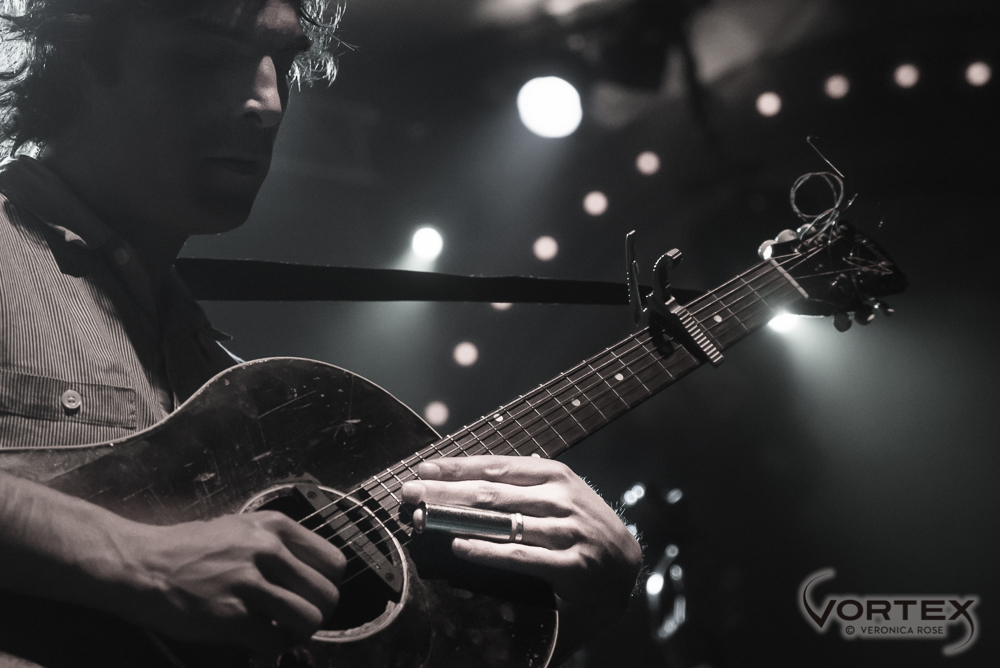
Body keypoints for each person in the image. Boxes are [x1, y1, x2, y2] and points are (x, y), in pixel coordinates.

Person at [0, 0, 643, 664]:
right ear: (78, 53)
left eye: (282, 60)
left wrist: (574, 609)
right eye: (207, 56)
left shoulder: (223, 384)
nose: (267, 102)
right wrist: (138, 559)